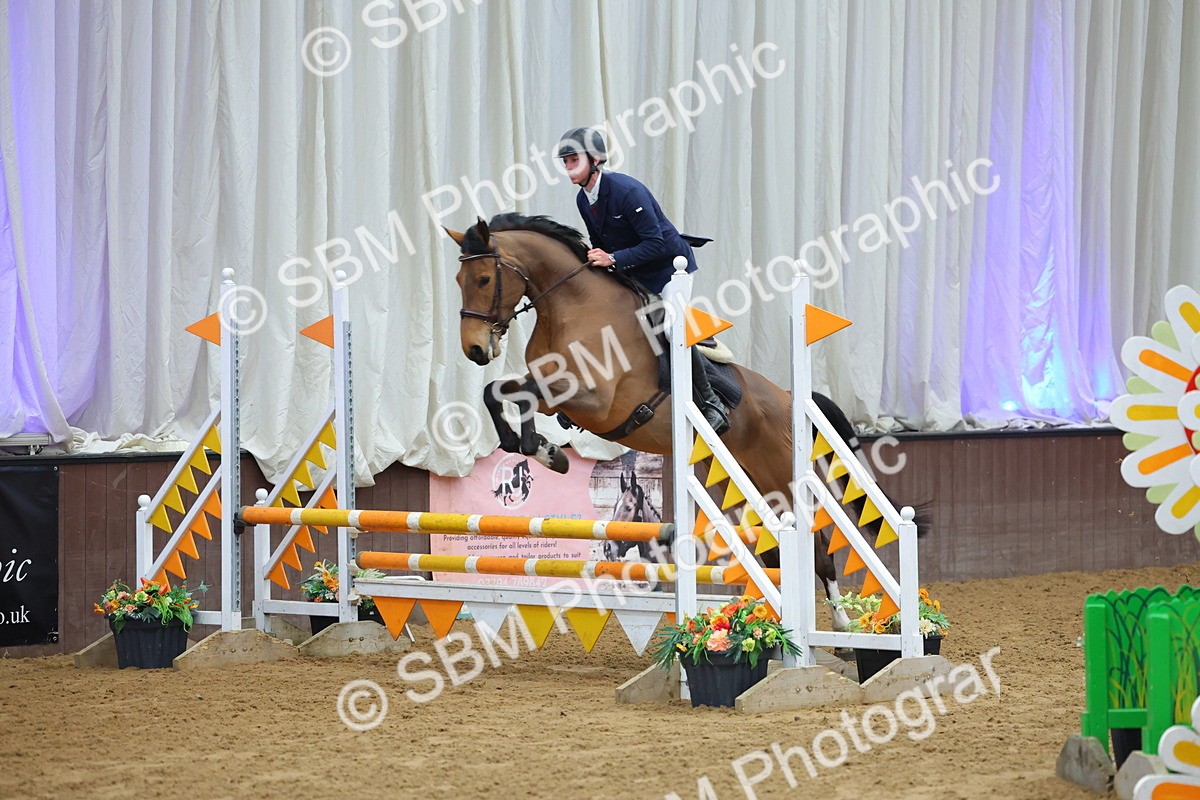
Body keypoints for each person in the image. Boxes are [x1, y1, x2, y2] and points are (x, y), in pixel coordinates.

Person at [557, 127, 730, 435]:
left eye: (573, 160)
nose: (568, 167)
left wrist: (612, 259)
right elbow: (602, 245)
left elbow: (657, 243)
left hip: (669, 269)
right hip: (635, 270)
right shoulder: (584, 200)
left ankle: (712, 401)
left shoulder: (627, 191)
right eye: (566, 162)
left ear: (595, 160)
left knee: (668, 325)